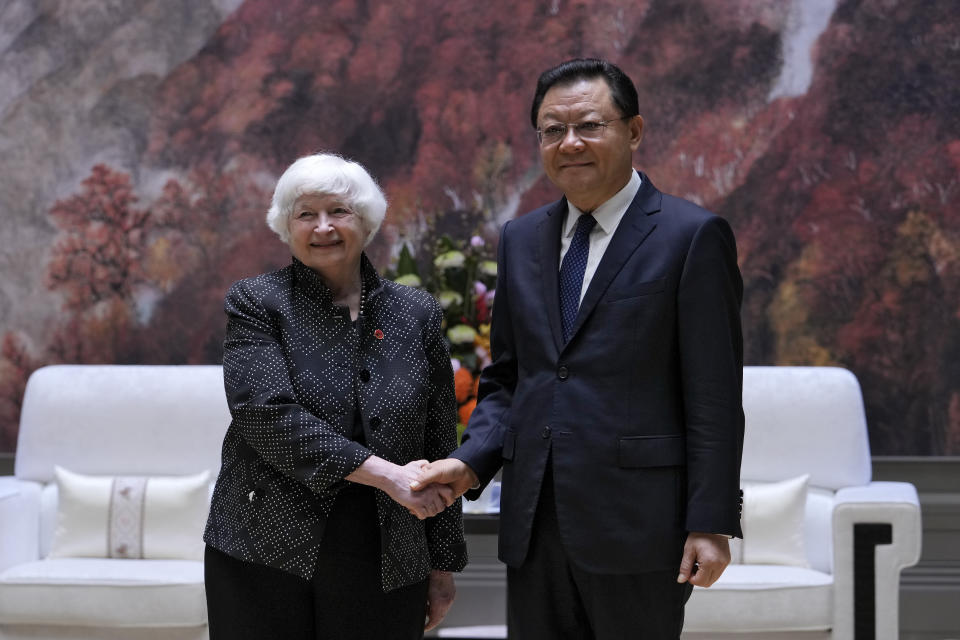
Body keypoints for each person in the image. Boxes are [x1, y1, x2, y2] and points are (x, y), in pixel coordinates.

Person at [412, 58, 744, 639]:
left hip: (639, 525)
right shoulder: (521, 238)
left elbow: (714, 395)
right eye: (552, 130)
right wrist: (471, 462)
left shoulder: (692, 236)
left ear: (634, 131)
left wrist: (710, 522)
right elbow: (510, 379)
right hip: (535, 520)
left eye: (590, 125)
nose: (570, 143)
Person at [203, 153, 467, 640]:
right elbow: (265, 415)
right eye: (306, 214)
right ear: (286, 225)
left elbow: (439, 441)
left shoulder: (416, 312)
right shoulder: (258, 302)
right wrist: (387, 476)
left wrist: (442, 564)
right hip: (265, 547)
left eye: (338, 212)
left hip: (389, 553)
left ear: (364, 220)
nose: (323, 227)